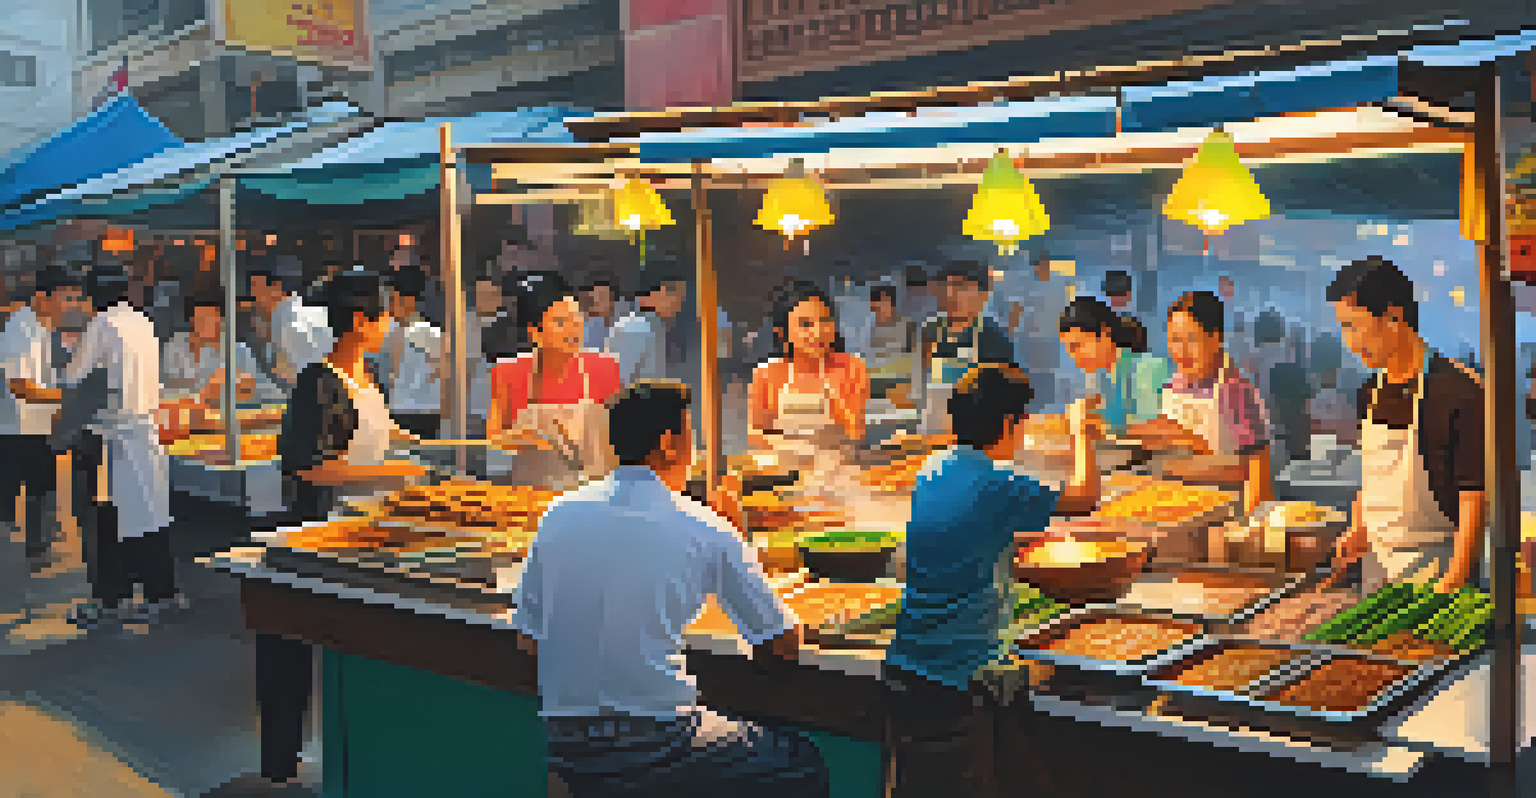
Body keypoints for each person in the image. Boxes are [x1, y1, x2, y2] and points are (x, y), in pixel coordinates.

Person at [517, 380, 830, 798]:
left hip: (567, 749)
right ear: (667, 443)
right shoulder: (702, 525)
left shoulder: (557, 513)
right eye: (690, 437)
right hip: (659, 743)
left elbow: (528, 640)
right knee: (801, 763)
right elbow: (780, 645)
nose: (694, 451)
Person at [883, 365, 1102, 798]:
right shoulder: (995, 483)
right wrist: (1081, 433)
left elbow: (964, 529)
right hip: (957, 680)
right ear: (1007, 423)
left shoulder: (932, 468)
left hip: (907, 668)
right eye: (1022, 420)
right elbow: (1085, 498)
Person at [264, 270, 426, 784]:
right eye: (383, 316)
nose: (389, 324)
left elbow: (371, 427)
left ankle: (359, 756)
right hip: (324, 532)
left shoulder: (366, 375)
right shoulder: (318, 382)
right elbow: (310, 468)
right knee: (299, 647)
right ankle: (287, 761)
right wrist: (392, 470)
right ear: (359, 321)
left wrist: (411, 442)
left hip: (367, 531)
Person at [1328, 256, 1485, 594]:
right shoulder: (1370, 392)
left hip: (1437, 574)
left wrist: (1455, 579)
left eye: (1354, 326)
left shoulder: (1460, 392)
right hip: (1376, 574)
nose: (1349, 341)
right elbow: (1372, 478)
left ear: (1394, 317)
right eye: (1343, 328)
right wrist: (1358, 527)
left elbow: (1473, 498)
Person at [61, 266, 181, 630]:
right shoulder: (142, 321)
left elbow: (74, 377)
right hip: (144, 433)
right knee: (150, 518)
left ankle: (110, 599)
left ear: (92, 295)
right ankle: (160, 593)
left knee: (104, 522)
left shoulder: (101, 324)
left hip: (110, 439)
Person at [1130, 291, 1274, 515]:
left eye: (1191, 339)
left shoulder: (1235, 390)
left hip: (1226, 512)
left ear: (1216, 338)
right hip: (1175, 506)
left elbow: (1257, 473)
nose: (1181, 351)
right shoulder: (1172, 386)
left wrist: (1249, 525)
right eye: (1175, 340)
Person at [487, 272, 622, 490]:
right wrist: (519, 438)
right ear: (535, 332)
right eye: (561, 322)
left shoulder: (605, 368)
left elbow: (621, 437)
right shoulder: (507, 372)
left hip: (594, 495)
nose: (573, 328)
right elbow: (494, 440)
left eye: (576, 318)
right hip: (531, 495)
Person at [749, 280, 870, 462]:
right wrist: (795, 448)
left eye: (825, 321)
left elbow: (855, 434)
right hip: (784, 469)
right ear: (782, 332)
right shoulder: (765, 374)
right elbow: (757, 434)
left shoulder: (851, 367)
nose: (818, 332)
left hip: (838, 467)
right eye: (805, 324)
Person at [0, 274, 75, 566]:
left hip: (37, 423)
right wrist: (64, 397)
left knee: (39, 486)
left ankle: (38, 546)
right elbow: (20, 386)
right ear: (43, 297)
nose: (67, 305)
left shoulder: (45, 328)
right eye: (63, 298)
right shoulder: (19, 330)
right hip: (17, 426)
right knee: (24, 489)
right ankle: (30, 548)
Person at [920, 260, 1017, 434]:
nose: (952, 295)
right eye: (948, 286)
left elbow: (1003, 399)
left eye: (962, 287)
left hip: (976, 434)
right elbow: (921, 380)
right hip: (933, 429)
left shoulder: (992, 338)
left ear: (984, 296)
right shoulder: (932, 330)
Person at [1057, 295, 1172, 436]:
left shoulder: (1148, 369)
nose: (1074, 356)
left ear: (1105, 332)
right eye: (1069, 351)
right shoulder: (1103, 374)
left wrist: (1101, 427)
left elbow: (1153, 431)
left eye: (1077, 346)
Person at [160, 291, 278, 406]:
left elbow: (270, 393)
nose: (207, 325)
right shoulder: (176, 346)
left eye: (212, 320)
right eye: (201, 320)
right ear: (192, 321)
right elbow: (166, 387)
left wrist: (244, 390)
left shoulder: (237, 351)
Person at [376, 269, 443, 440]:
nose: (388, 306)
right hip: (395, 409)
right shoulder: (382, 331)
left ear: (409, 301)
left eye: (392, 299)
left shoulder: (431, 335)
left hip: (424, 411)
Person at [605, 272, 687, 385]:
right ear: (652, 294)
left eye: (681, 297)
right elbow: (620, 382)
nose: (679, 304)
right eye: (673, 294)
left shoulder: (656, 327)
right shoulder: (634, 328)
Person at [864, 284, 919, 406]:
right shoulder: (874, 329)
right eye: (875, 309)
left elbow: (915, 359)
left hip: (900, 383)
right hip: (877, 382)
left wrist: (913, 391)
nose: (878, 314)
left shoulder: (906, 326)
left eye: (880, 308)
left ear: (890, 304)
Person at [577, 279, 621, 352]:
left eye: (602, 296)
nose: (597, 300)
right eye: (595, 296)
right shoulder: (586, 326)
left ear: (612, 301)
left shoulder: (622, 326)